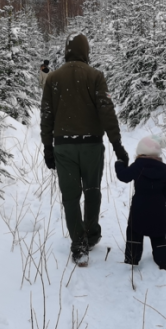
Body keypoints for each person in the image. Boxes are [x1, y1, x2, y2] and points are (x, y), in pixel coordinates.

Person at [40, 33, 128, 264]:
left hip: (64, 147)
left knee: (70, 196)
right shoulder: (96, 76)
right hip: (91, 145)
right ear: (86, 50)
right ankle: (91, 234)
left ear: (67, 50)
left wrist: (47, 147)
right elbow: (106, 112)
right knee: (92, 190)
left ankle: (78, 244)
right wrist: (117, 144)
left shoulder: (53, 79)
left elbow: (46, 116)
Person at [115, 135, 166, 270]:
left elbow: (124, 176)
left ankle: (132, 257)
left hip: (139, 206)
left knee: (134, 230)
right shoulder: (162, 169)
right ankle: (163, 261)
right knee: (158, 234)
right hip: (158, 208)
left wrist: (119, 164)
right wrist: (160, 199)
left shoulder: (138, 166)